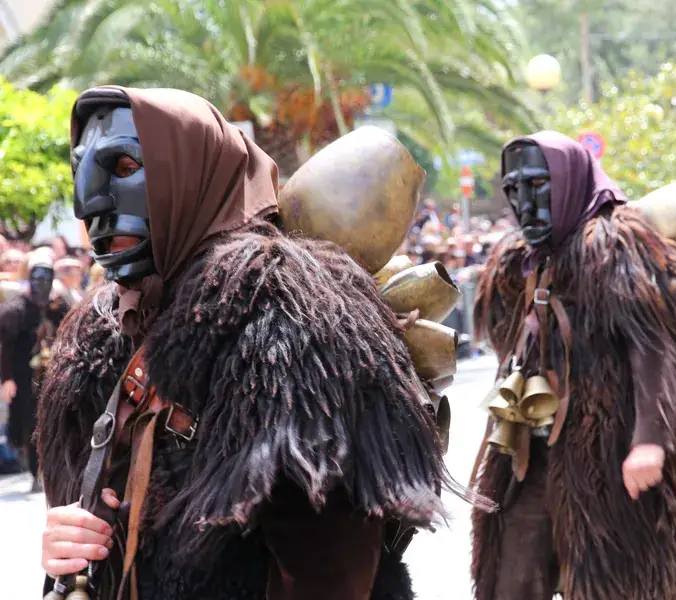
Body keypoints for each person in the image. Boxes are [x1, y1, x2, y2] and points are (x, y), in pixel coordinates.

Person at [38, 86, 451, 600]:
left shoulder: (294, 322)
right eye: (82, 170)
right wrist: (67, 546)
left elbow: (328, 571)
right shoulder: (99, 341)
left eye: (122, 166)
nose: (90, 199)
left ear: (191, 171)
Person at [469, 132, 676, 600]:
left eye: (536, 186)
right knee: (509, 577)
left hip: (609, 455)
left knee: (620, 584)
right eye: (514, 190)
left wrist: (650, 442)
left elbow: (654, 348)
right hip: (529, 454)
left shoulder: (616, 248)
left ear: (568, 180)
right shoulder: (522, 263)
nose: (524, 204)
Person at [0, 248, 68, 492]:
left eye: (46, 277)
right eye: (37, 277)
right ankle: (35, 471)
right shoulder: (16, 309)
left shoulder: (59, 306)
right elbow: (5, 346)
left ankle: (54, 470)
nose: (42, 283)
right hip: (24, 375)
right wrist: (6, 378)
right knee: (28, 423)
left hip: (55, 374)